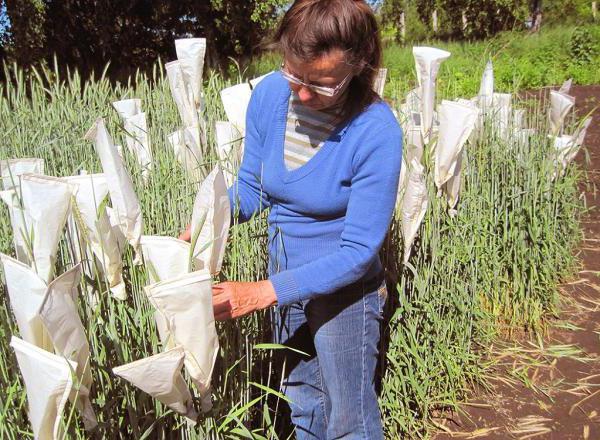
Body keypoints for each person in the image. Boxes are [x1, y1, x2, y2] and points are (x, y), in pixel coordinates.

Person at [181, 0, 402, 437]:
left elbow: (359, 252)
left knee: (348, 420)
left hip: (346, 293)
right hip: (284, 278)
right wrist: (209, 224)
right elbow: (254, 187)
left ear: (358, 66)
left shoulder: (375, 131)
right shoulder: (268, 95)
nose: (301, 94)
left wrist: (263, 293)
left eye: (321, 85)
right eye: (293, 74)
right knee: (303, 402)